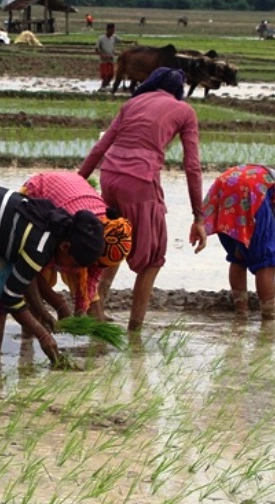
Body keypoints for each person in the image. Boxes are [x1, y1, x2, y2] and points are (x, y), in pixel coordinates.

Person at [77, 67, 205, 331]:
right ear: (178, 91)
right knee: (153, 259)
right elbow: (192, 166)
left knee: (114, 237)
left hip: (110, 175)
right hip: (140, 181)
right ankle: (135, 330)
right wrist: (198, 216)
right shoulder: (184, 111)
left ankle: (96, 311)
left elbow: (101, 147)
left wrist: (78, 182)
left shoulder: (132, 103)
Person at [0, 185, 105, 366]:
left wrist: (44, 312)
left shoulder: (58, 228)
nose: (71, 271)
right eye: (73, 264)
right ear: (65, 247)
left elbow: (27, 277)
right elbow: (12, 297)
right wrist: (42, 334)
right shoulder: (41, 246)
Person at [201, 165, 275, 320]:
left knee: (239, 254)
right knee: (267, 261)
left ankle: (241, 314)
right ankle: (268, 321)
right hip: (254, 187)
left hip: (225, 182)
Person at [20, 172, 132, 325]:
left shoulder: (103, 233)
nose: (97, 267)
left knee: (85, 283)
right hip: (41, 193)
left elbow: (92, 277)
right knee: (37, 274)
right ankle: (28, 340)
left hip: (73, 195)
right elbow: (33, 271)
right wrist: (58, 304)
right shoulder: (72, 229)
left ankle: (98, 337)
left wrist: (80, 309)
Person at [95, 23, 120, 91]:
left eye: (114, 30)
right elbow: (97, 49)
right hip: (104, 60)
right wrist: (103, 55)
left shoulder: (114, 37)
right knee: (105, 75)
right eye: (112, 30)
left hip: (111, 59)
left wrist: (131, 42)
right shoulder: (101, 38)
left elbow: (122, 42)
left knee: (111, 75)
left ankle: (104, 87)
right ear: (108, 30)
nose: (113, 32)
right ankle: (103, 87)